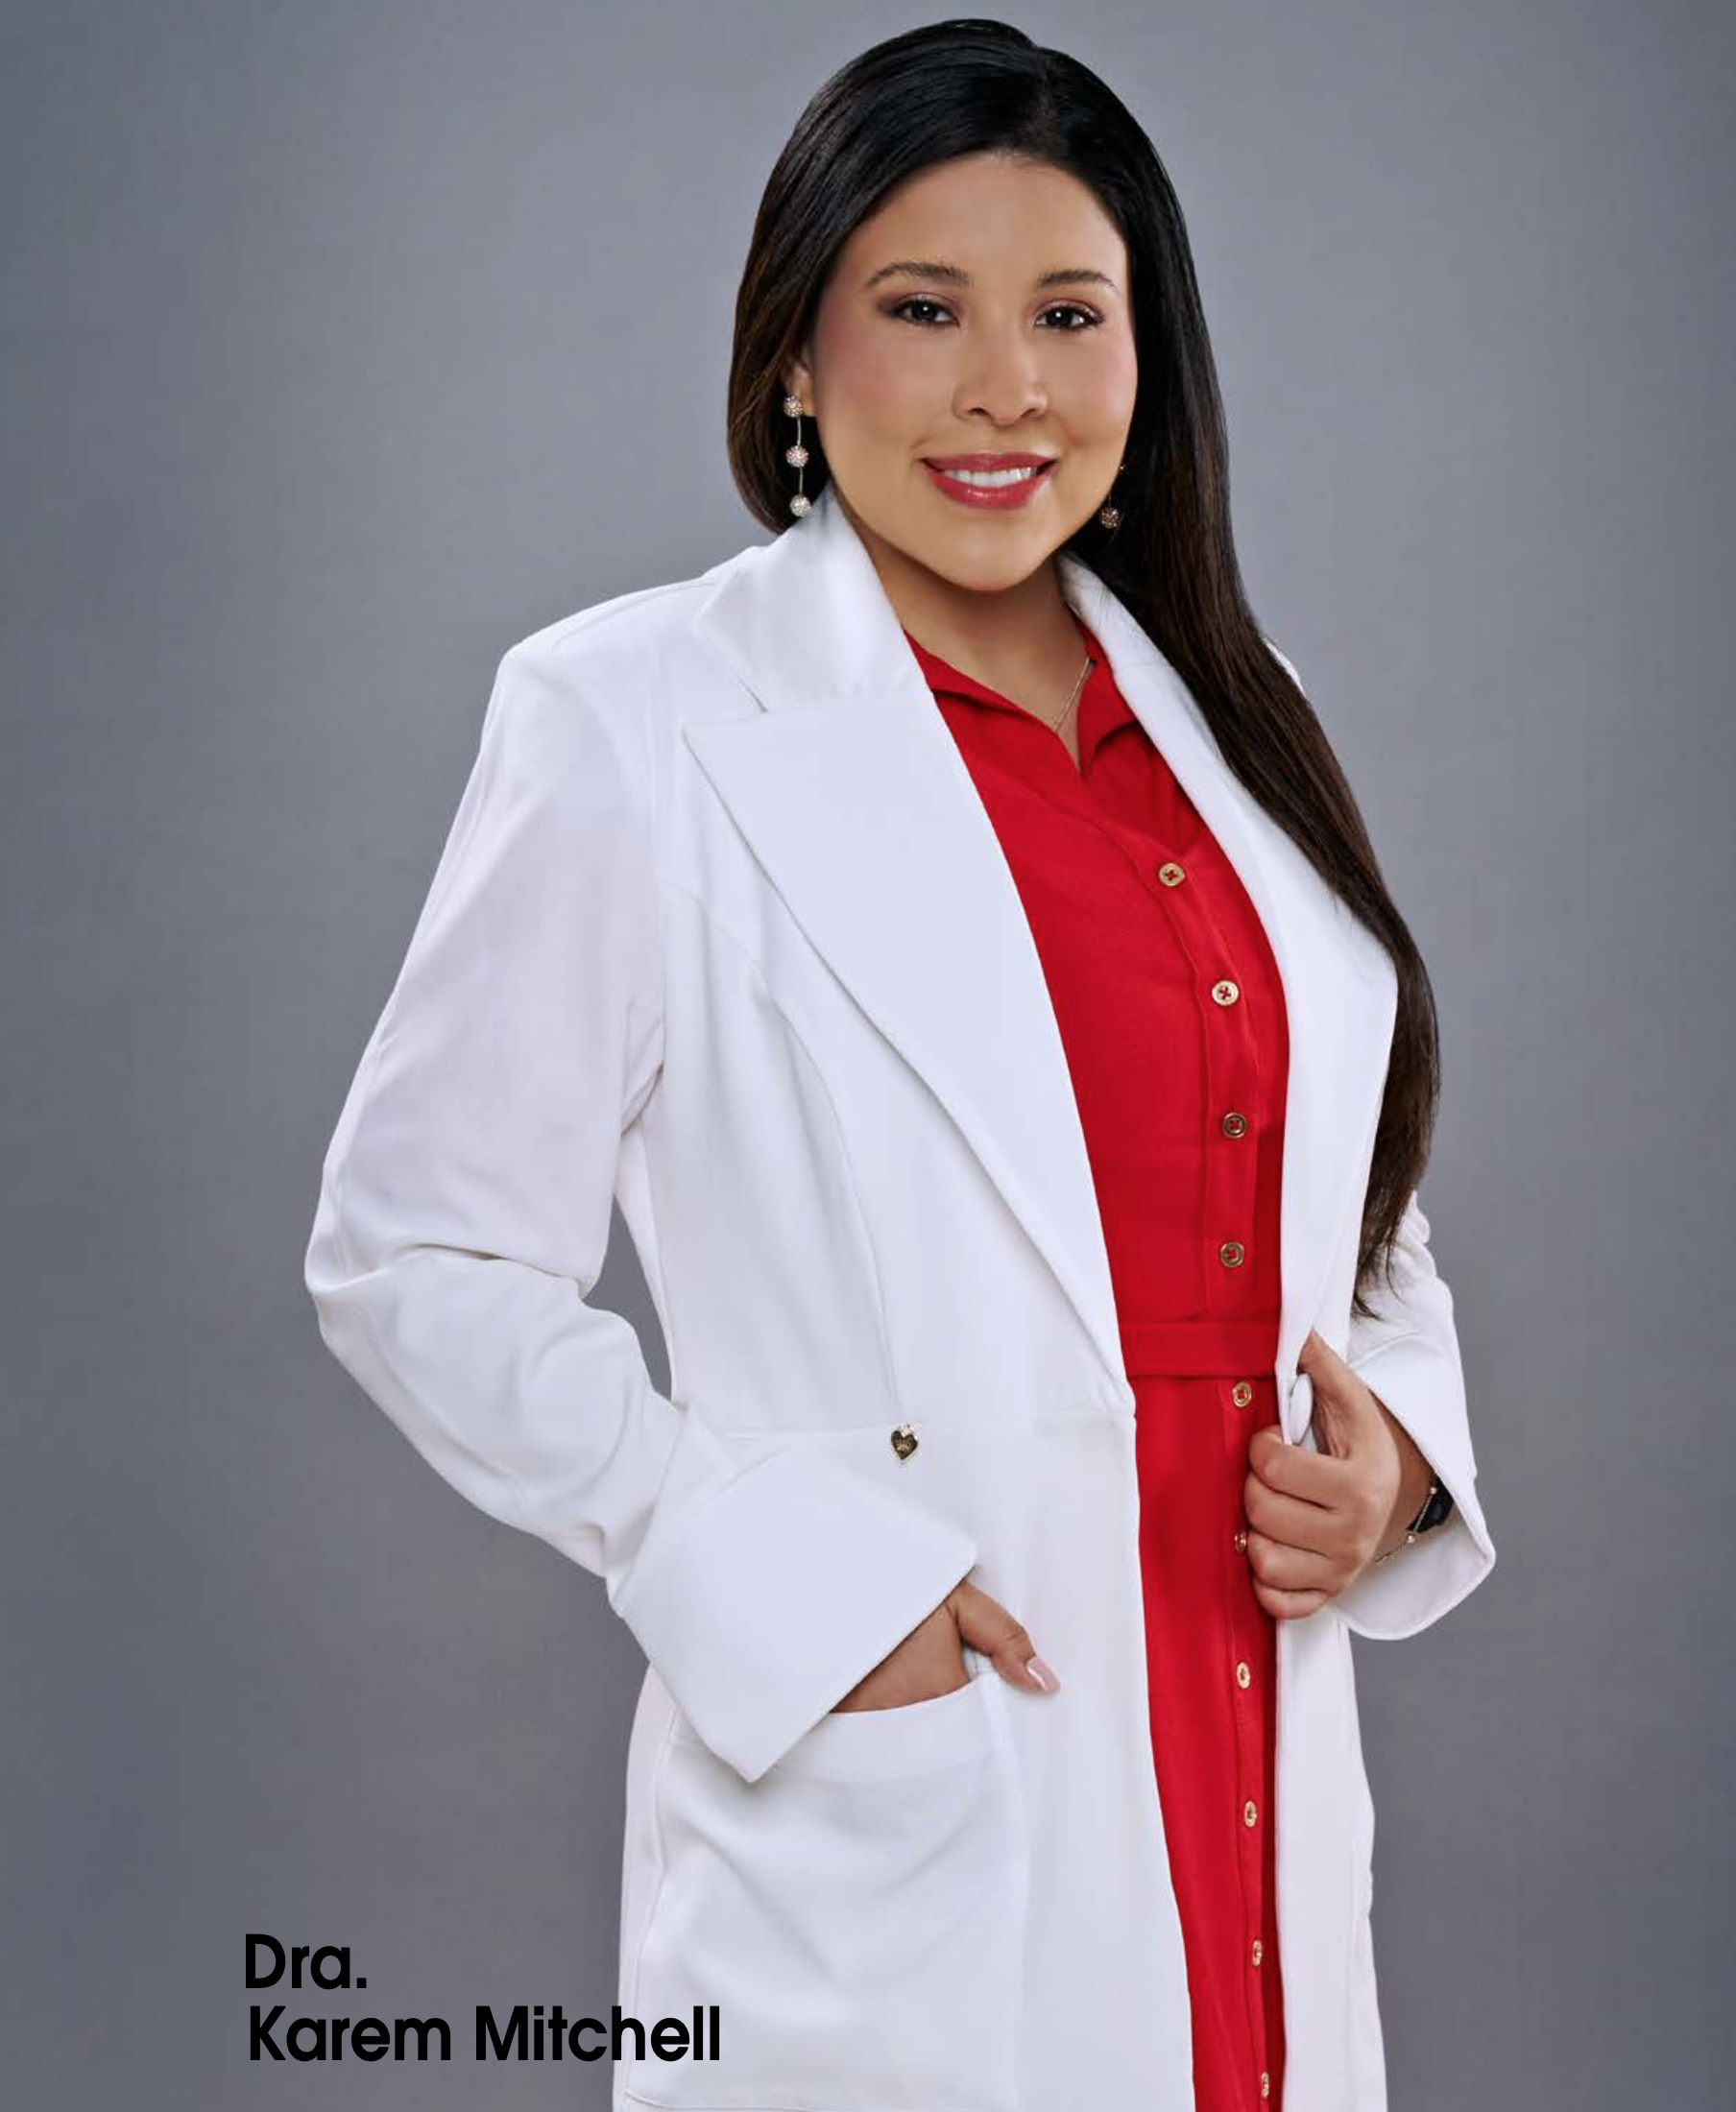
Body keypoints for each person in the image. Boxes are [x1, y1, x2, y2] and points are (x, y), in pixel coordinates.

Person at [303, 21, 1495, 2111]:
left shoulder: (1240, 711)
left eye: (1069, 314)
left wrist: (1393, 1455)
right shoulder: (633, 714)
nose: (1005, 387)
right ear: (794, 350)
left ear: (1150, 356)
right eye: (923, 310)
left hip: (1244, 1718)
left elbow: (1339, 1185)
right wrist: (782, 1578)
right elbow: (413, 1255)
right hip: (942, 1732)